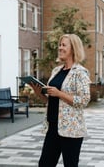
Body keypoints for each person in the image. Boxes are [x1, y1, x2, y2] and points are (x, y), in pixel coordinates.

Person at [30, 34, 91, 167]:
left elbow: (84, 101)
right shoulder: (56, 70)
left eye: (64, 45)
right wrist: (38, 93)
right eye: (60, 45)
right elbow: (51, 101)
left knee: (70, 165)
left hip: (71, 130)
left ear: (73, 49)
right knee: (45, 164)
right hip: (52, 128)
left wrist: (59, 93)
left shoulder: (80, 72)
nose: (60, 48)